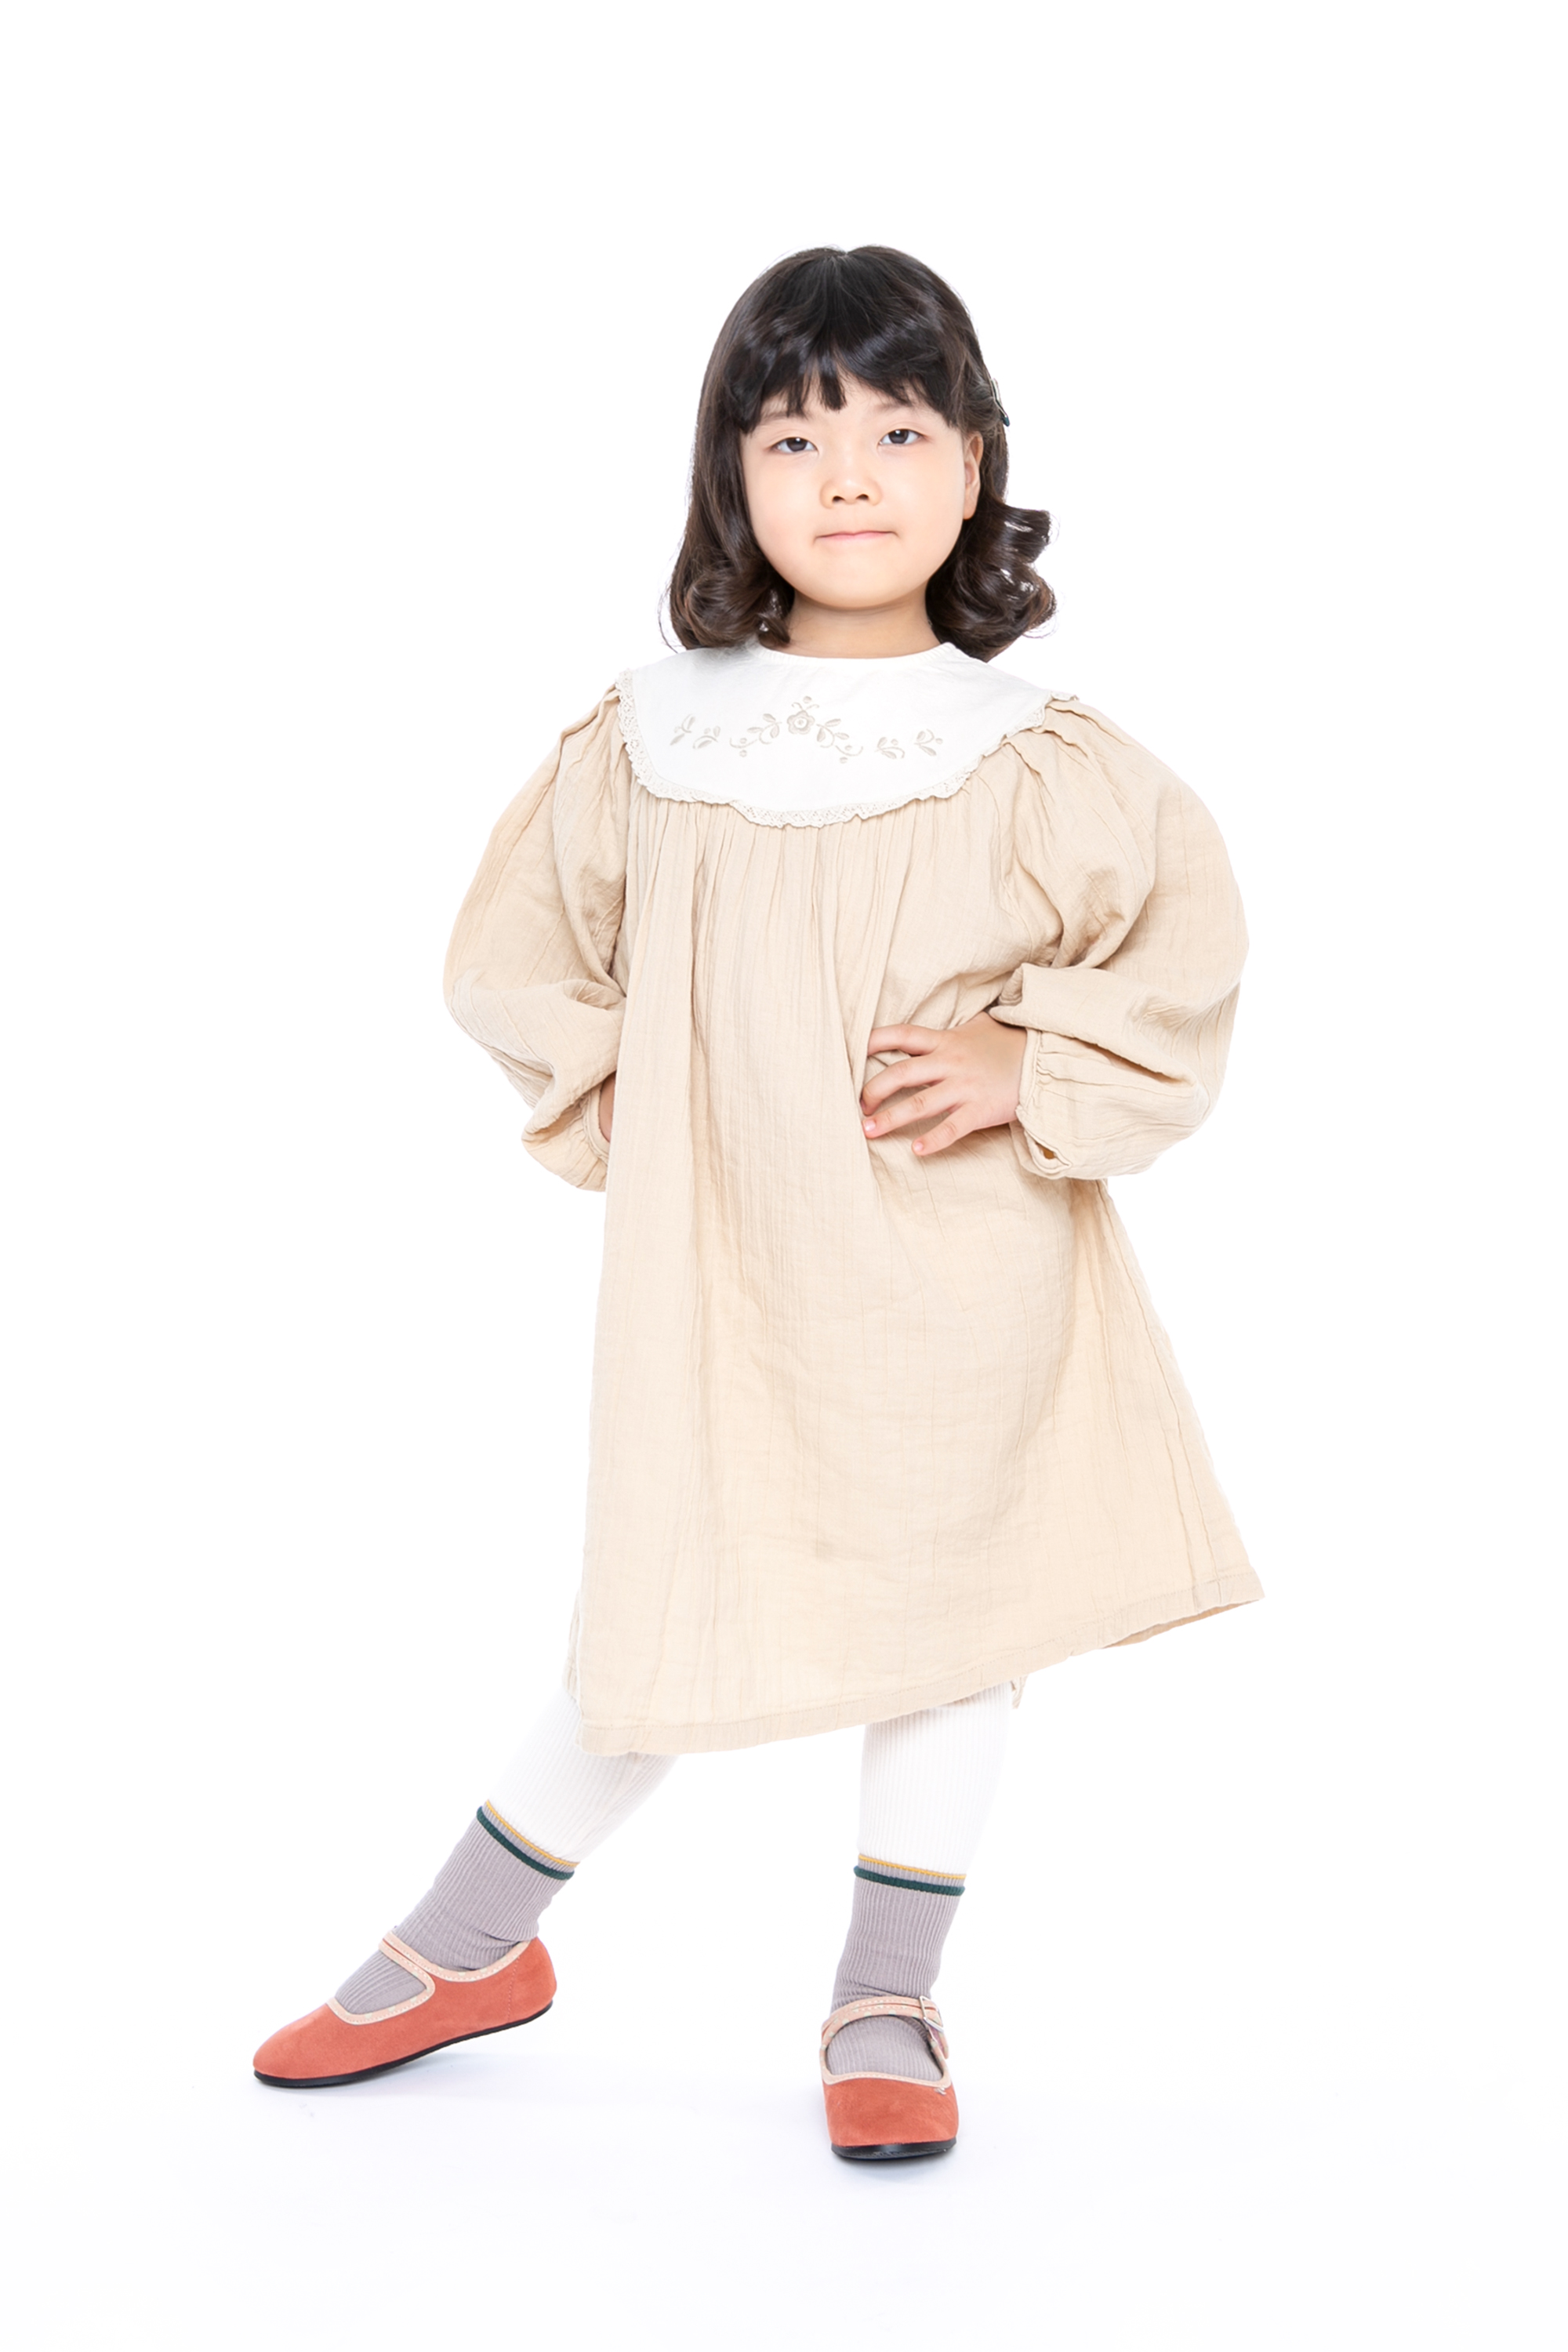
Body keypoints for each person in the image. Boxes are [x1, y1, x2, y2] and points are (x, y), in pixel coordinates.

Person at [253, 245, 1261, 2162]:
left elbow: (1179, 952)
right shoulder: (652, 736)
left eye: (898, 431)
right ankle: (471, 1944)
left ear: (973, 466)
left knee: (957, 1610)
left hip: (961, 1258)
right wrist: (645, 1084)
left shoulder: (1036, 756)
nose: (849, 473)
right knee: (664, 1595)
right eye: (793, 436)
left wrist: (1027, 1054)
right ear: (730, 474)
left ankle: (886, 1994)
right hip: (719, 1267)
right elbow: (512, 958)